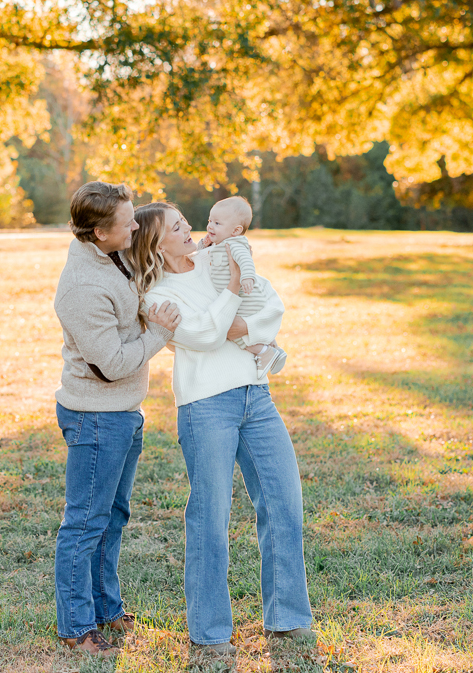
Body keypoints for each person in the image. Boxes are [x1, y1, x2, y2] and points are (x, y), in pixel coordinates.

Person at [127, 202, 315, 663]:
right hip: (206, 405)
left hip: (257, 395)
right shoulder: (155, 297)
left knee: (284, 503)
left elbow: (270, 301)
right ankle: (210, 632)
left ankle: (288, 619)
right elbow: (206, 337)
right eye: (176, 226)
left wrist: (242, 323)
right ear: (156, 242)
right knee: (211, 517)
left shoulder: (218, 254)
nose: (189, 227)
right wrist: (232, 291)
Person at [51, 181, 182, 659]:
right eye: (127, 222)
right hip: (96, 418)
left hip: (123, 415)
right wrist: (162, 334)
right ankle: (77, 627)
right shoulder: (84, 287)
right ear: (99, 231)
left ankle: (107, 608)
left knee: (112, 519)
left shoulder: (113, 254)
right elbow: (112, 364)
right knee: (85, 525)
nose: (135, 226)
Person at [199, 196, 287, 375]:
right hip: (237, 297)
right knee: (242, 330)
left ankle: (264, 352)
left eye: (217, 223)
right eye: (210, 221)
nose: (210, 226)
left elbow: (246, 261)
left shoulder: (234, 244)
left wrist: (247, 277)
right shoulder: (221, 244)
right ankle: (273, 347)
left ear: (236, 230)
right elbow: (204, 259)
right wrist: (202, 246)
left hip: (244, 298)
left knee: (233, 333)